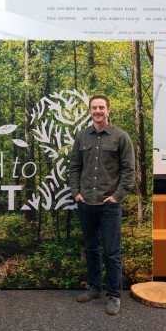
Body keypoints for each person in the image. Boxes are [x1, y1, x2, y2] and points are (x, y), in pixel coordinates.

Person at [68, 95, 135, 315]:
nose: (98, 111)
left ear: (108, 110)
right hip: (86, 202)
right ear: (90, 111)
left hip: (109, 204)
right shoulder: (82, 137)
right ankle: (95, 288)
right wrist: (76, 192)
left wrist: (117, 196)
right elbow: (74, 167)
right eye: (94, 108)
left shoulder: (121, 137)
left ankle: (114, 296)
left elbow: (129, 171)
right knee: (90, 248)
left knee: (112, 252)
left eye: (101, 107)